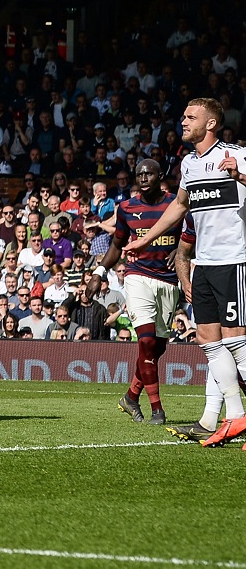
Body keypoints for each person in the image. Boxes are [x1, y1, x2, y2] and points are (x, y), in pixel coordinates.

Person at [122, 98, 246, 446]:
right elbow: (179, 206)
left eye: (191, 117)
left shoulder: (237, 154)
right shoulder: (189, 163)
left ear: (211, 124)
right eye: (184, 116)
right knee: (209, 342)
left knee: (237, 342)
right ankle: (234, 417)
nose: (183, 120)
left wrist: (239, 176)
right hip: (203, 264)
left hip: (235, 260)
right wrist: (144, 242)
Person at [100, 158, 181, 425]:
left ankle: (131, 396)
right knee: (145, 342)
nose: (143, 178)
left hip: (169, 280)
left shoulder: (177, 204)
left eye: (149, 173)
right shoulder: (126, 208)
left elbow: (192, 234)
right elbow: (116, 245)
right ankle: (157, 409)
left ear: (160, 176)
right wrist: (99, 273)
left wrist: (179, 251)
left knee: (157, 347)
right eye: (139, 174)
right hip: (137, 277)